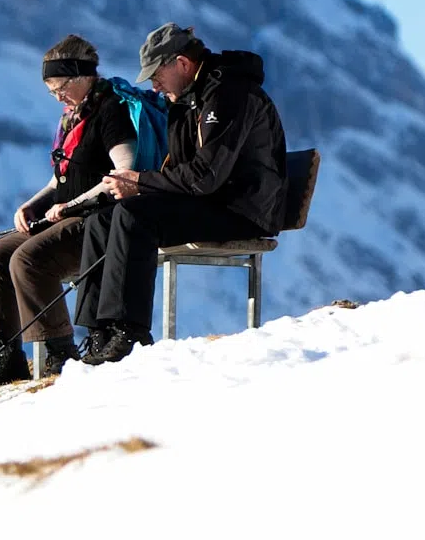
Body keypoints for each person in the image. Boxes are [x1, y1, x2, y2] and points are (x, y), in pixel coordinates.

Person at [73, 23, 288, 365]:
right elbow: (182, 172)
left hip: (242, 208)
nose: (154, 85)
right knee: (104, 219)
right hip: (209, 201)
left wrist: (141, 182)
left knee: (134, 216)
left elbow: (206, 176)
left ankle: (129, 330)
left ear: (183, 64)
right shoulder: (187, 100)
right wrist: (139, 184)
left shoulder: (229, 93)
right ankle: (98, 330)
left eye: (157, 74)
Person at [0, 34, 138, 385]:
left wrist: (71, 204)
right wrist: (33, 204)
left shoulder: (110, 111)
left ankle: (61, 354)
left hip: (97, 222)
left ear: (82, 76)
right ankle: (7, 355)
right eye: (51, 90)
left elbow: (123, 171)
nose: (57, 96)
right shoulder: (72, 116)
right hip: (64, 216)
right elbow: (60, 179)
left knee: (29, 260)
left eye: (60, 86)